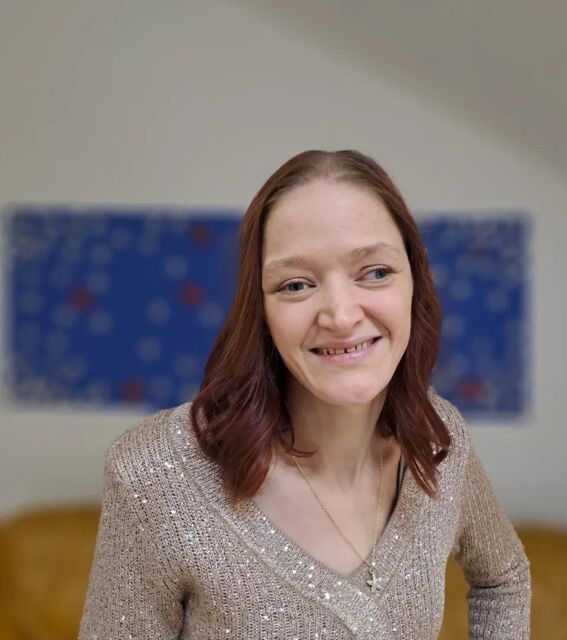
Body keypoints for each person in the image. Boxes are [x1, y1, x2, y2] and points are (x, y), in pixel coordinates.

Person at [79, 149, 531, 639]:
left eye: (375, 272)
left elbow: (503, 579)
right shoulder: (156, 474)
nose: (341, 315)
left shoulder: (438, 439)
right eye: (296, 284)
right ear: (261, 309)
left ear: (415, 282)